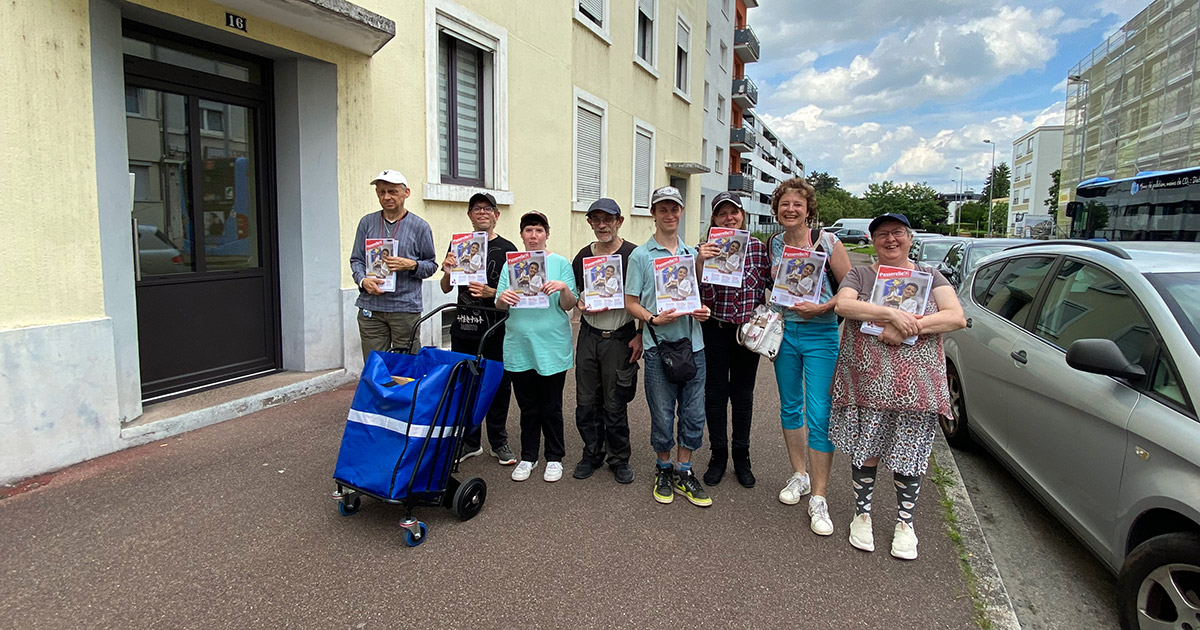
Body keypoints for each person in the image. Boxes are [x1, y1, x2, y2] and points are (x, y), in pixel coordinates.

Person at [830, 212, 966, 560]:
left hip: (915, 385)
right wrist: (890, 314)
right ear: (873, 242)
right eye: (882, 235)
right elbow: (844, 305)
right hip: (867, 380)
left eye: (898, 233)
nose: (891, 240)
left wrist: (911, 326)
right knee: (867, 448)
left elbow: (955, 316)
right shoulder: (862, 274)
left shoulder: (929, 275)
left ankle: (906, 523)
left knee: (909, 453)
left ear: (910, 238)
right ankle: (863, 514)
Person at [766, 177, 852, 536]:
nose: (790, 210)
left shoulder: (829, 242)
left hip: (821, 332)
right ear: (777, 208)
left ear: (808, 209)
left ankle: (819, 495)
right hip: (785, 332)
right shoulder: (773, 244)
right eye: (785, 204)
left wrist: (824, 307)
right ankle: (799, 475)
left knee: (819, 412)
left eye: (797, 205)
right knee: (790, 406)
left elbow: (850, 289)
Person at [625, 186, 714, 507]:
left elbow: (698, 297)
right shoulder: (640, 256)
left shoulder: (692, 254)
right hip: (658, 346)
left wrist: (703, 312)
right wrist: (651, 319)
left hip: (694, 346)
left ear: (681, 211)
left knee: (693, 413)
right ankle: (663, 467)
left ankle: (685, 469)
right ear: (653, 213)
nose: (669, 214)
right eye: (663, 209)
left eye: (674, 209)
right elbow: (630, 301)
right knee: (662, 414)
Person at [495, 211, 578, 483]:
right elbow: (498, 303)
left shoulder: (560, 263)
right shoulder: (512, 265)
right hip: (520, 345)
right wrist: (504, 298)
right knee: (528, 406)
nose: (533, 236)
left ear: (547, 234)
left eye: (538, 231)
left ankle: (554, 457)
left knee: (551, 405)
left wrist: (563, 288)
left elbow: (570, 304)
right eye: (528, 231)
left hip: (551, 346)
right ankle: (529, 456)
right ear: (522, 235)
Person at [696, 191, 771, 487]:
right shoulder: (704, 250)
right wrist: (701, 262)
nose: (730, 217)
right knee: (714, 396)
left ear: (743, 216)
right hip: (714, 330)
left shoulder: (758, 248)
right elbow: (693, 292)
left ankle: (742, 455)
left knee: (743, 397)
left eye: (734, 212)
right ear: (714, 218)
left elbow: (772, 286)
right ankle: (718, 455)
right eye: (723, 213)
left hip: (746, 334)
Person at [438, 191, 518, 466]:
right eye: (476, 209)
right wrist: (448, 270)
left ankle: (498, 441)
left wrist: (490, 291)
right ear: (470, 215)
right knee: (465, 386)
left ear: (496, 215)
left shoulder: (509, 248)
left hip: (496, 329)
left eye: (487, 208)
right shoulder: (458, 244)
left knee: (497, 385)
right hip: (463, 327)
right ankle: (470, 441)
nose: (481, 212)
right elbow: (446, 287)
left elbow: (517, 291)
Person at [570, 198, 642, 484]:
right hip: (590, 334)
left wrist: (640, 335)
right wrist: (580, 302)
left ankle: (619, 457)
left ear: (619, 221)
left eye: (608, 219)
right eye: (596, 219)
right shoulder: (582, 257)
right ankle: (592, 453)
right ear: (589, 222)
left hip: (621, 335)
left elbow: (644, 299)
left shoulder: (633, 256)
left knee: (615, 400)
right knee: (586, 399)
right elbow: (577, 294)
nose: (602, 225)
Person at [349, 170, 437, 360]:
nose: (386, 197)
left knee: (406, 363)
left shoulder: (420, 226)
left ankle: (405, 391)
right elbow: (356, 260)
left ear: (406, 193)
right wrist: (363, 280)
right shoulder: (367, 222)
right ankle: (378, 391)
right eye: (382, 192)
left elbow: (431, 265)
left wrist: (411, 265)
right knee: (375, 365)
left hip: (404, 308)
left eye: (392, 191)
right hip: (371, 306)